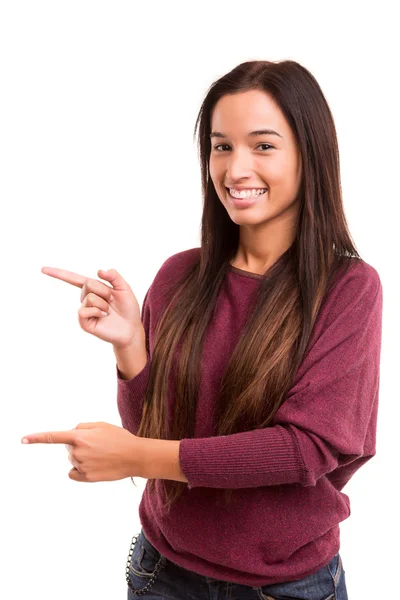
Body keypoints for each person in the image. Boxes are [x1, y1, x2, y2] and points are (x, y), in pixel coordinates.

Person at [22, 60, 383, 600]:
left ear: (310, 155)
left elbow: (304, 449)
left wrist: (133, 456)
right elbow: (153, 425)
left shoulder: (349, 288)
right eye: (221, 146)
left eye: (263, 146)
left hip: (284, 585)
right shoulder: (179, 275)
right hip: (161, 570)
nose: (235, 169)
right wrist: (131, 349)